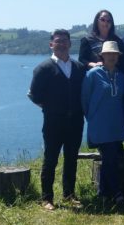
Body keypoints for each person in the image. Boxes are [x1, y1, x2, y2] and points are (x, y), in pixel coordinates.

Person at [27, 29, 86, 211]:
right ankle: (47, 198)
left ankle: (69, 194)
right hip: (53, 122)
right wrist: (51, 108)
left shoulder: (79, 68)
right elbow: (34, 95)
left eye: (64, 41)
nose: (61, 44)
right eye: (58, 41)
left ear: (70, 44)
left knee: (71, 158)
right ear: (51, 44)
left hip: (75, 120)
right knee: (50, 158)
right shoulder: (43, 68)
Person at [81, 41, 124, 205]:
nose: (111, 56)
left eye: (114, 54)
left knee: (111, 158)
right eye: (108, 54)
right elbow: (85, 99)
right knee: (109, 158)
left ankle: (103, 193)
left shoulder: (121, 76)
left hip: (116, 124)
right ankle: (116, 193)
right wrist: (92, 117)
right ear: (102, 56)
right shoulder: (93, 74)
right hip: (100, 124)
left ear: (118, 56)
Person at [78, 9, 124, 74]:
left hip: (114, 75)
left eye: (108, 21)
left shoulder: (118, 41)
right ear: (97, 21)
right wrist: (94, 64)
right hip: (95, 75)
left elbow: (123, 60)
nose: (105, 22)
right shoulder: (87, 40)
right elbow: (81, 60)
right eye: (102, 20)